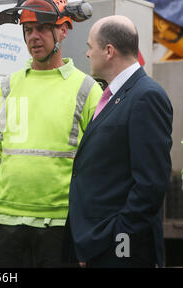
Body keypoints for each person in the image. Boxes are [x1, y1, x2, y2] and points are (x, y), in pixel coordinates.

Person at [0, 0, 102, 267]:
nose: (34, 37)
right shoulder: (8, 86)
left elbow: (99, 156)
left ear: (63, 31)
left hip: (60, 220)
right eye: (28, 29)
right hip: (7, 218)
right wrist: (17, 170)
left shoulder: (86, 89)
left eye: (44, 28)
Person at [65, 15, 173, 268]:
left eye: (90, 47)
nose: (88, 54)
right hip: (99, 244)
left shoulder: (146, 97)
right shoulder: (116, 95)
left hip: (120, 250)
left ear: (109, 51)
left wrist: (113, 239)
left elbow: (151, 185)